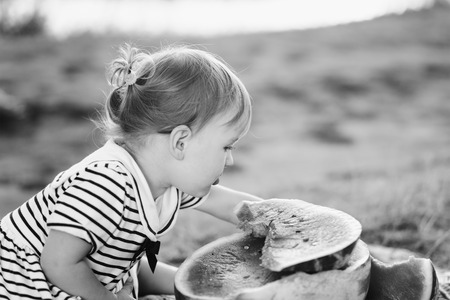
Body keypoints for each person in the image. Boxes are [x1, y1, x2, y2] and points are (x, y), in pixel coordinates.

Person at [0, 44, 263, 300]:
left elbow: (230, 204)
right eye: (227, 146)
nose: (229, 160)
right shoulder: (107, 183)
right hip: (20, 285)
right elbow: (58, 263)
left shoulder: (169, 180)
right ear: (180, 142)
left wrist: (289, 220)